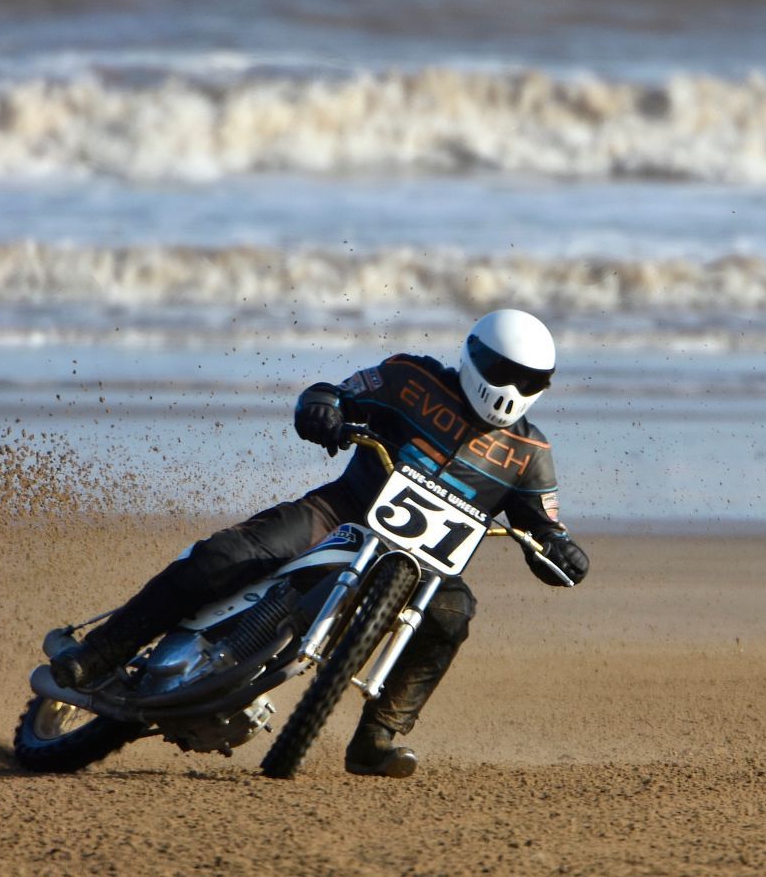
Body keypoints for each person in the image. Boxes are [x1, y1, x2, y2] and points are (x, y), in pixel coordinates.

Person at [47, 309, 590, 778]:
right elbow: (336, 392)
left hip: (425, 568)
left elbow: (545, 527)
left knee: (454, 613)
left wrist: (560, 549)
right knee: (224, 556)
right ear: (475, 357)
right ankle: (100, 653)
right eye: (504, 372)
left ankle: (377, 738)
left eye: (530, 380)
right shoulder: (410, 378)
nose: (512, 389)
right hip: (339, 511)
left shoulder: (530, 452)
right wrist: (322, 407)